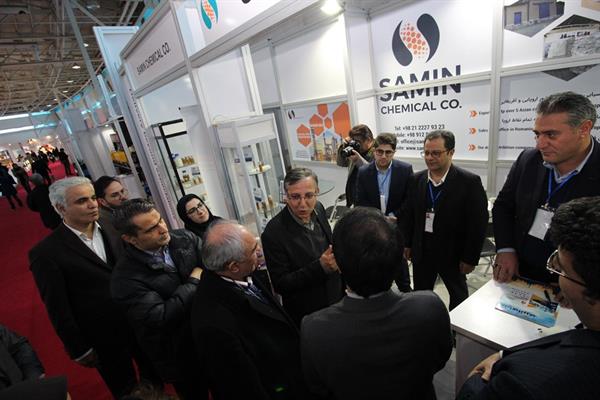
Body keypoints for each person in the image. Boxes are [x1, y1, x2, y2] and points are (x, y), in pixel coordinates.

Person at [457, 196, 600, 400]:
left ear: (587, 288)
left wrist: (479, 378)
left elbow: (472, 391)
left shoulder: (520, 381)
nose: (556, 276)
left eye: (560, 269)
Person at [301, 207, 452, 400]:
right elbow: (440, 358)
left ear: (338, 263)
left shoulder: (315, 329)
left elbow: (318, 388)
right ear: (398, 259)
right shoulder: (429, 307)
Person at [28, 177, 158, 398]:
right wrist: (78, 348)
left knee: (156, 376)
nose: (92, 205)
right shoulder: (46, 253)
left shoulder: (113, 226)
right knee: (124, 390)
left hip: (139, 321)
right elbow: (57, 307)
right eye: (81, 201)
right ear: (61, 208)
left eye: (92, 198)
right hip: (102, 337)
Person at [192, 221, 313, 400]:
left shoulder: (241, 273)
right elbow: (242, 385)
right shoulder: (214, 321)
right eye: (254, 250)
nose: (260, 251)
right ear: (233, 266)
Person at [493, 91, 600, 284]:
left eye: (551, 134)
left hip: (576, 284)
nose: (540, 144)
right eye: (537, 134)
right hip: (519, 272)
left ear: (584, 129)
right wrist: (506, 249)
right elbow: (503, 206)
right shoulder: (528, 159)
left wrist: (577, 283)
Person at [110, 199, 207, 400]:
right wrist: (194, 282)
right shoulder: (125, 279)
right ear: (131, 239)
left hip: (210, 336)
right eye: (151, 229)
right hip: (179, 356)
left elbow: (213, 266)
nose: (163, 229)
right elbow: (161, 316)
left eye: (160, 220)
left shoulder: (185, 238)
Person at [402, 130, 488, 310]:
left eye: (436, 153)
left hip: (454, 254)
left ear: (451, 152)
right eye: (426, 153)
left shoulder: (469, 182)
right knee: (421, 296)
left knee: (459, 297)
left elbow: (477, 224)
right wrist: (407, 244)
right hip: (422, 252)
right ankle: (424, 323)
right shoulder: (416, 180)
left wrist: (470, 258)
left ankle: (455, 326)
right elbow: (409, 215)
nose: (429, 158)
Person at [261, 167, 344, 325]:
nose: (303, 204)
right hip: (309, 313)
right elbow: (281, 284)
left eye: (309, 196)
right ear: (286, 196)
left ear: (317, 192)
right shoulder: (273, 233)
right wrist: (319, 267)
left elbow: (330, 244)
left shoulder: (318, 208)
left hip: (336, 299)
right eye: (295, 197)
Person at [355, 132, 413, 291]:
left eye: (388, 152)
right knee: (376, 261)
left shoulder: (405, 170)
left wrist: (394, 216)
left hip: (397, 224)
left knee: (400, 262)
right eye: (379, 151)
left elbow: (409, 200)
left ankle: (405, 289)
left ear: (394, 152)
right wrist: (378, 219)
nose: (383, 156)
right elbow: (361, 201)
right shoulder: (363, 172)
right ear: (374, 150)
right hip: (373, 225)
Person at [336, 124, 375, 207]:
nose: (355, 144)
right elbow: (341, 163)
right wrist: (343, 147)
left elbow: (373, 174)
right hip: (354, 199)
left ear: (368, 140)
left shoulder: (379, 152)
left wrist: (358, 160)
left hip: (369, 202)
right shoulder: (355, 149)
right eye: (353, 141)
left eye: (358, 142)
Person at [94, 176, 129, 260]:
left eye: (122, 191)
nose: (123, 197)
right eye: (115, 195)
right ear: (102, 201)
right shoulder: (105, 223)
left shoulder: (122, 210)